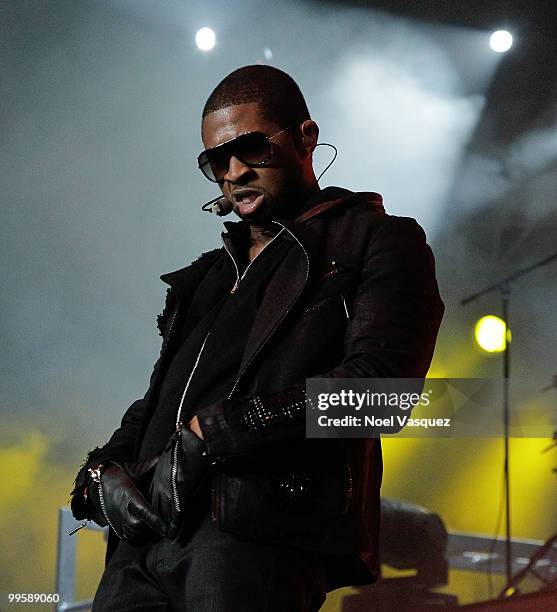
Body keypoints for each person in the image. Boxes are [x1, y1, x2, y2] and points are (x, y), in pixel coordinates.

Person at [69, 64, 444, 612]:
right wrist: (100, 473)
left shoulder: (376, 241)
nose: (235, 171)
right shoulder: (207, 275)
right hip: (141, 548)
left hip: (253, 538)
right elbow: (160, 403)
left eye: (251, 149)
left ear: (305, 138)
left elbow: (379, 395)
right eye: (217, 161)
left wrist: (215, 433)